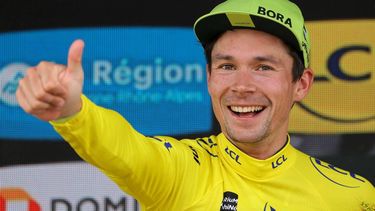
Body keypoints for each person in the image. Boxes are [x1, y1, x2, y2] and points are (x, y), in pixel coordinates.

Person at [16, 0, 375, 210]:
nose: (242, 86)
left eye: (263, 67)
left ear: (301, 84)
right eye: (227, 66)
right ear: (208, 78)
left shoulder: (354, 197)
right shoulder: (180, 170)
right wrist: (72, 110)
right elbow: (122, 147)